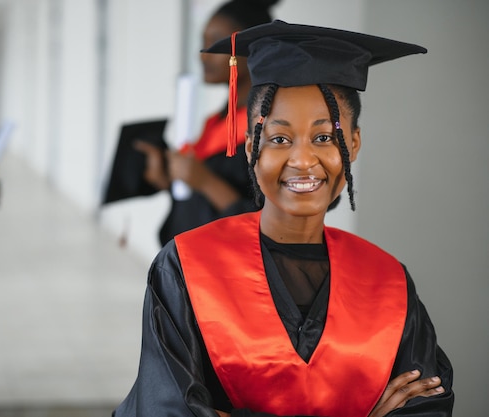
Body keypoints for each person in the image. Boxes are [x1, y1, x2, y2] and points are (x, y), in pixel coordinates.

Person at [113, 20, 454, 417]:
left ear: (354, 144)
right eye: (279, 139)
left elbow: (427, 406)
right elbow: (166, 409)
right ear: (249, 146)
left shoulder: (388, 282)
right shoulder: (186, 266)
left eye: (325, 137)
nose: (303, 160)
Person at [135, 0, 280, 246]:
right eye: (203, 42)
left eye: (217, 43)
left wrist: (205, 181)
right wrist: (169, 179)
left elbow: (270, 224)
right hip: (186, 260)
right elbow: (198, 197)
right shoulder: (216, 121)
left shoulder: (270, 129)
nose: (204, 54)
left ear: (253, 50)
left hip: (227, 269)